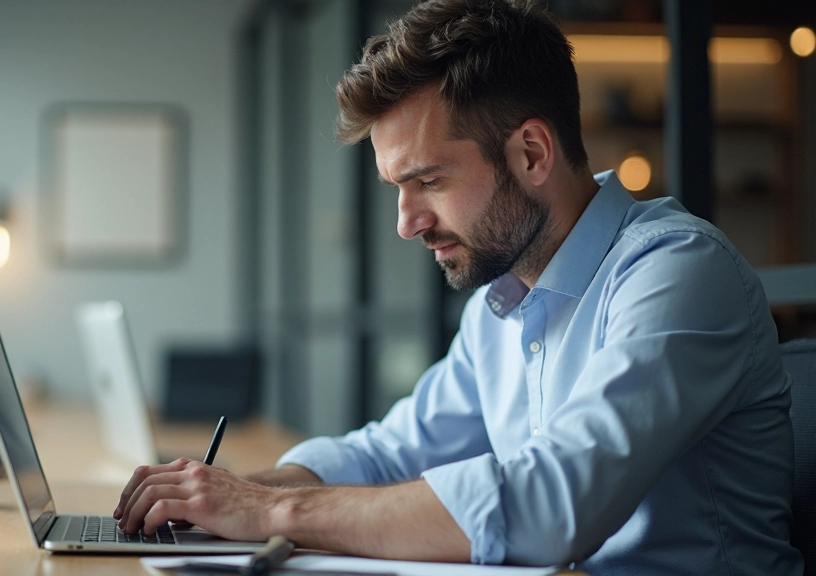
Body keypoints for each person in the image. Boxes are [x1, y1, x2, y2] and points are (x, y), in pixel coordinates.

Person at [114, 0, 803, 572]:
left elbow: (549, 509)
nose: (406, 225)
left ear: (532, 152)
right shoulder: (498, 308)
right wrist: (230, 493)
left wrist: (271, 513)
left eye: (429, 182)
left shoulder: (677, 272)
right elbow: (388, 453)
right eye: (396, 189)